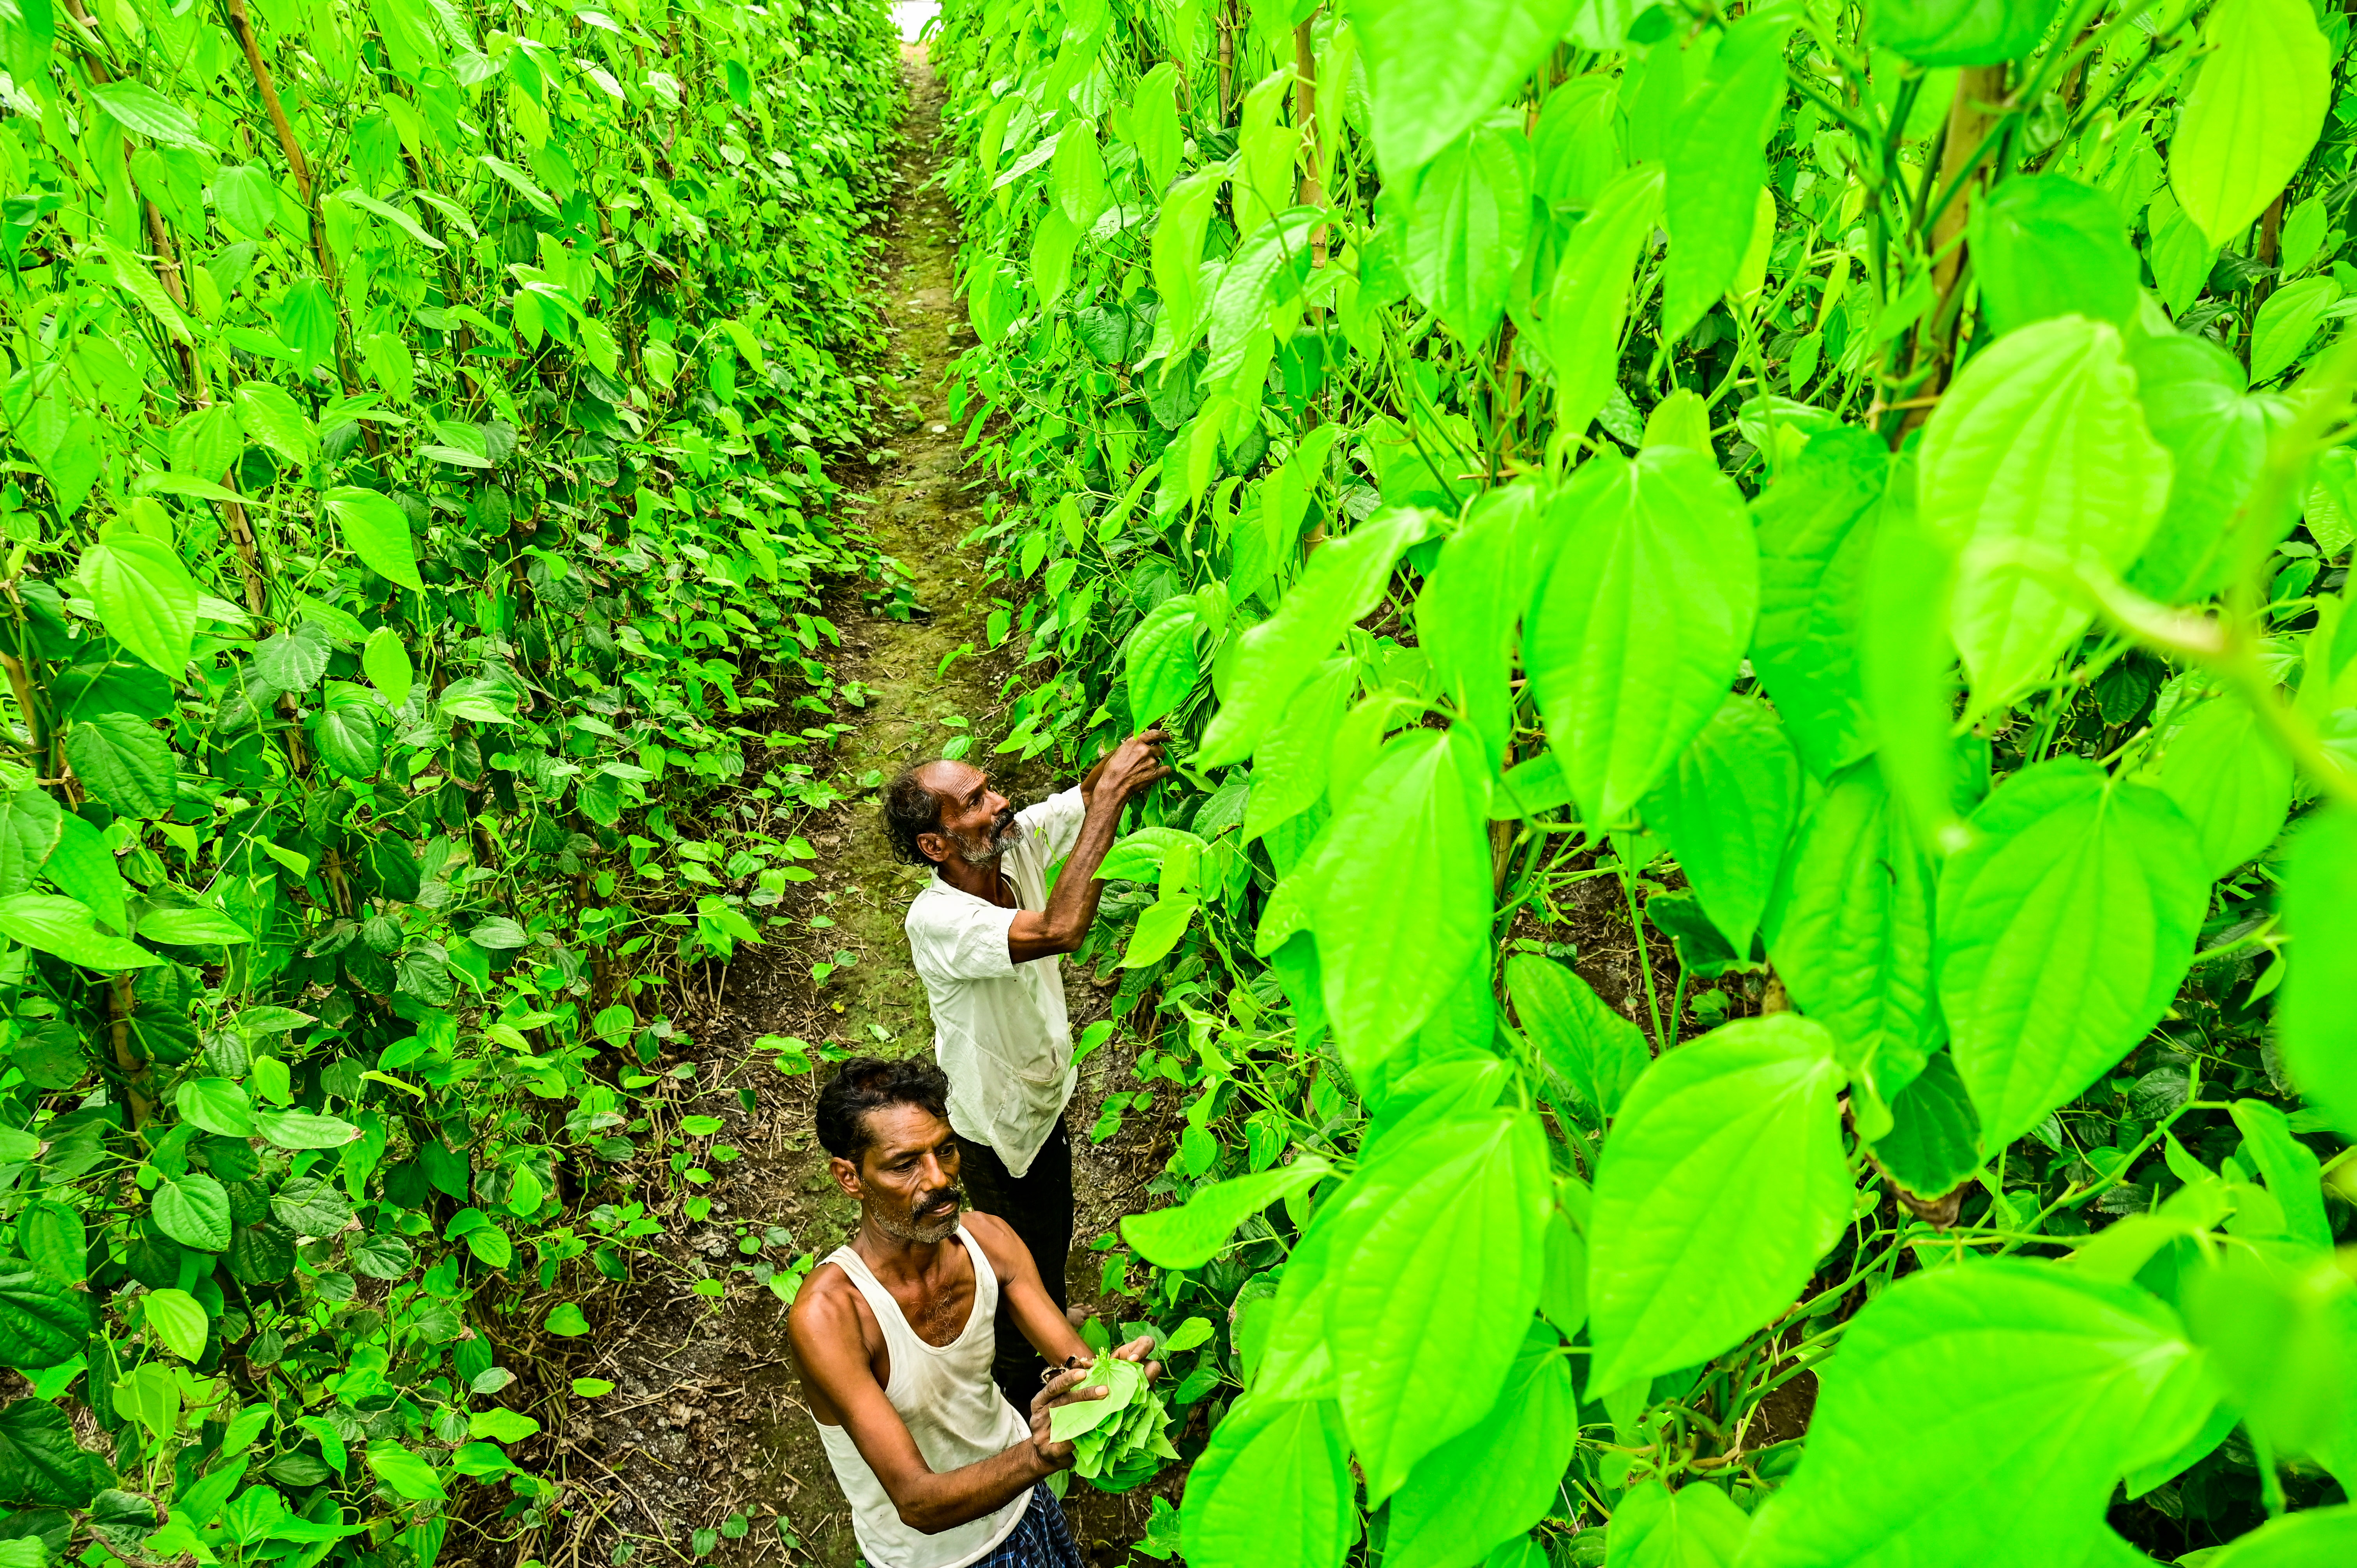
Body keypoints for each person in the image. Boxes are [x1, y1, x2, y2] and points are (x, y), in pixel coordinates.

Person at [881, 729, 1170, 1405]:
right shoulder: (940, 919)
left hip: (1041, 1094)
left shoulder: (1012, 848)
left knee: (1053, 1227)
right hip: (996, 1124)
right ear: (936, 845)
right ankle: (1021, 1385)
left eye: (990, 787)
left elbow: (1087, 793)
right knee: (1018, 1257)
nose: (1001, 803)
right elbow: (1062, 928)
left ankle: (1050, 1317)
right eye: (977, 800)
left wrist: (1123, 759)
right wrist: (1111, 804)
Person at [788, 1058, 1158, 1568]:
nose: (939, 1179)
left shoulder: (989, 1242)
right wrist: (1037, 1455)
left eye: (946, 1150)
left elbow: (1078, 1370)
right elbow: (916, 1500)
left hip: (1024, 1501)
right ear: (850, 1177)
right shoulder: (830, 1317)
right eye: (905, 1164)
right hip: (937, 1556)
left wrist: (1113, 1384)